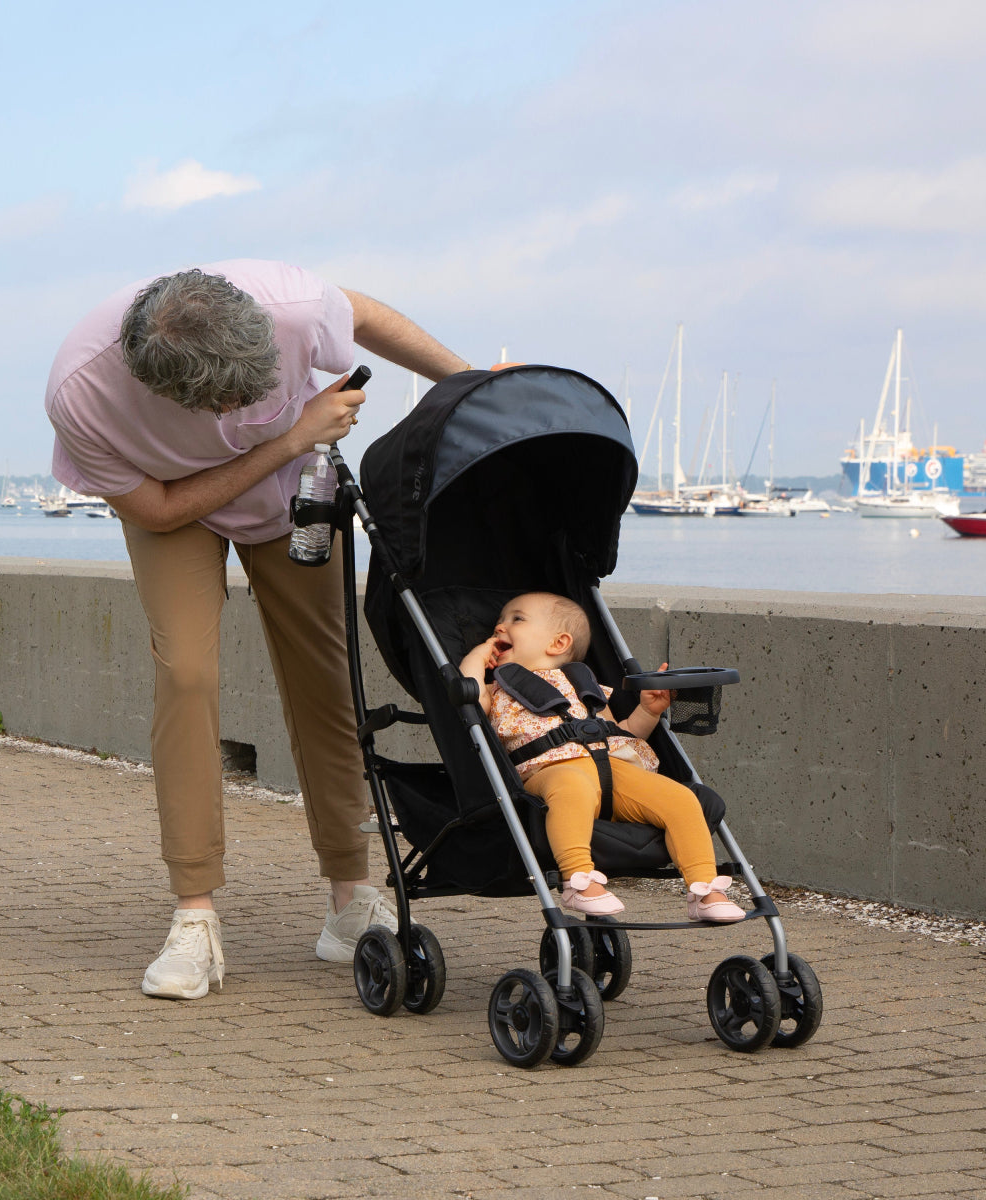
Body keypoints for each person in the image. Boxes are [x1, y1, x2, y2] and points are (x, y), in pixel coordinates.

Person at [45, 260, 472, 999]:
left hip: (295, 496)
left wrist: (469, 384)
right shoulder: (81, 396)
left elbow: (369, 319)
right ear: (165, 390)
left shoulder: (292, 304)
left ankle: (348, 899)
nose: (252, 402)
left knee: (327, 679)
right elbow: (159, 511)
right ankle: (195, 916)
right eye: (233, 399)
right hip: (174, 502)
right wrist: (289, 434)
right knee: (186, 674)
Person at [459, 592, 745, 922]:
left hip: (609, 767)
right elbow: (468, 698)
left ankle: (704, 888)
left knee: (682, 798)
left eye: (516, 619)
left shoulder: (582, 684)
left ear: (558, 642)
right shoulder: (497, 688)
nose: (499, 626)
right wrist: (477, 658)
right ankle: (578, 880)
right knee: (572, 788)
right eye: (501, 620)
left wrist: (648, 711)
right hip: (548, 770)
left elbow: (618, 733)